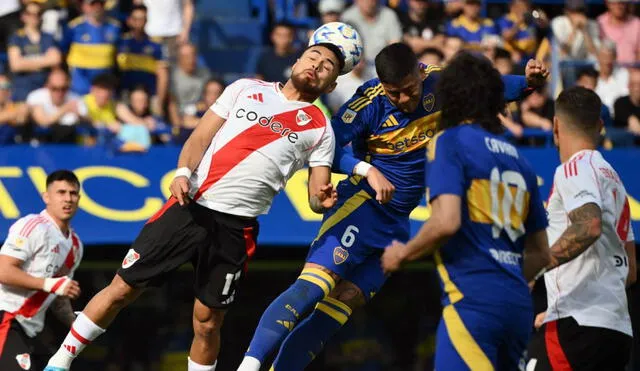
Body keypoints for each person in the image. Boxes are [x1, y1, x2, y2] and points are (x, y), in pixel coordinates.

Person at [237, 43, 549, 371]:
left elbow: (491, 88)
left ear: (420, 72)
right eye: (393, 93)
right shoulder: (368, 101)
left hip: (398, 222)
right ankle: (249, 365)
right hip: (362, 205)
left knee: (339, 308)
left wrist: (528, 81)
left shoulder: (441, 83)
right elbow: (324, 146)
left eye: (408, 91)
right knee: (315, 287)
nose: (402, 99)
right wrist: (368, 170)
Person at [45, 40, 348, 371]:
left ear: (331, 84)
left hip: (237, 229)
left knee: (206, 322)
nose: (316, 65)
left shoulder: (320, 127)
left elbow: (317, 195)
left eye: (327, 66)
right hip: (191, 206)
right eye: (313, 57)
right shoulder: (246, 89)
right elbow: (199, 138)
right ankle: (59, 363)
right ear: (295, 61)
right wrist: (182, 173)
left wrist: (322, 201)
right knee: (122, 289)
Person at [380, 52, 552, 370]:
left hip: (473, 301)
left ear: (451, 96)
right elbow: (542, 254)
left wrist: (401, 254)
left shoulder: (450, 142)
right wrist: (507, 277)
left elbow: (446, 222)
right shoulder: (521, 160)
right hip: (517, 305)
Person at [526, 86, 636, 371]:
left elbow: (589, 226)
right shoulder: (615, 181)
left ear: (556, 125)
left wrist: (533, 268)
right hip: (616, 329)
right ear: (600, 126)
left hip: (576, 326)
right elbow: (631, 269)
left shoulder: (573, 168)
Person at [0, 170, 83, 371]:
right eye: (61, 192)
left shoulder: (76, 246)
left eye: (73, 193)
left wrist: (77, 324)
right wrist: (49, 283)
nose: (68, 199)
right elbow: (3, 271)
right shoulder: (33, 226)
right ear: (46, 197)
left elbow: (58, 296)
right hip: (6, 317)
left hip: (31, 330)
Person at [61, 0, 121, 95]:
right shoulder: (74, 28)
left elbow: (117, 57)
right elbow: (63, 53)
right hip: (80, 89)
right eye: (93, 4)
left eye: (100, 3)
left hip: (105, 89)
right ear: (84, 6)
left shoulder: (114, 27)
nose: (97, 7)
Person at [7, 2, 62, 103]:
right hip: (22, 91)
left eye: (38, 13)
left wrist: (26, 62)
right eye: (30, 13)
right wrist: (45, 60)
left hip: (45, 90)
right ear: (23, 16)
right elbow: (16, 65)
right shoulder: (17, 37)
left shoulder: (48, 37)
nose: (34, 17)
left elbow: (56, 60)